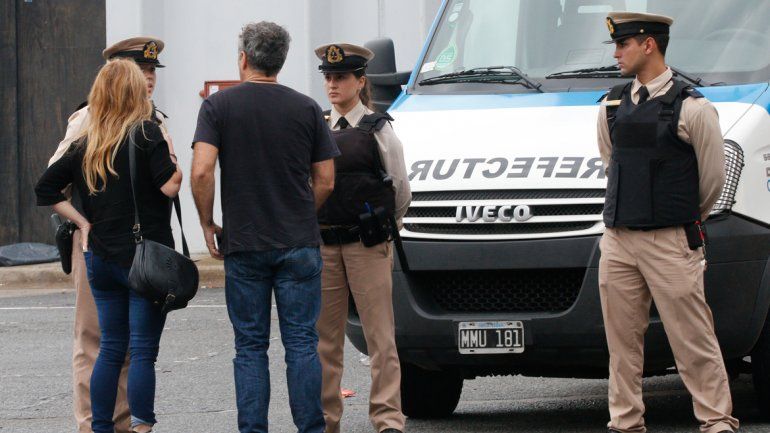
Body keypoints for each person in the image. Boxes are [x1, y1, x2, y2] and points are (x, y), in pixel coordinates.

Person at [190, 21, 338, 433]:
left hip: (245, 240)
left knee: (251, 346)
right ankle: (311, 428)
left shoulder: (218, 107)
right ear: (281, 61)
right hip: (298, 241)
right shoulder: (307, 107)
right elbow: (326, 179)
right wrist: (303, 211)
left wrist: (207, 223)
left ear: (243, 58)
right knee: (302, 343)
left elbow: (201, 171)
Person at [596, 12, 739, 433]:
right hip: (619, 239)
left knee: (692, 339)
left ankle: (716, 421)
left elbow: (711, 180)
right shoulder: (610, 104)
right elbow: (612, 163)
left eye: (623, 45)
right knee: (622, 345)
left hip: (670, 240)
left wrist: (677, 221)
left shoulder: (693, 107)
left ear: (648, 45)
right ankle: (625, 422)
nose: (616, 54)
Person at [35, 59, 183, 433]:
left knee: (110, 347)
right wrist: (172, 157)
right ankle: (141, 427)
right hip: (142, 260)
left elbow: (45, 189)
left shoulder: (88, 141)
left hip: (99, 256)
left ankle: (100, 427)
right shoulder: (148, 134)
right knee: (143, 352)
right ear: (136, 93)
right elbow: (170, 186)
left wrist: (82, 221)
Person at [313, 43, 411, 433]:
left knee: (380, 339)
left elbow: (400, 189)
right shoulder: (316, 126)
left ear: (360, 81)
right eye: (328, 78)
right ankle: (326, 419)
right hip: (324, 242)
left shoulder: (378, 128)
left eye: (340, 78)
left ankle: (388, 419)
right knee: (326, 341)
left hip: (367, 244)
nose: (333, 85)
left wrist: (387, 232)